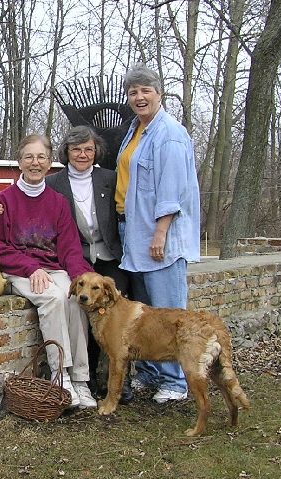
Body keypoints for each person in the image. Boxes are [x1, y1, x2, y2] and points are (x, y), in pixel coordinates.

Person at [0, 126, 130, 398]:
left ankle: (81, 379)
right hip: (20, 270)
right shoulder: (4, 201)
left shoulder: (58, 201)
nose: (35, 163)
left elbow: (70, 249)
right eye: (29, 157)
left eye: (41, 157)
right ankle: (59, 373)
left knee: (75, 298)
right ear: (19, 162)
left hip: (54, 268)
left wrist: (82, 279)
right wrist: (31, 268)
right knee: (53, 298)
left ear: (49, 160)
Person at [115, 63, 201, 403]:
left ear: (158, 93)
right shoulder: (137, 129)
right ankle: (150, 374)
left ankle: (176, 381)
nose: (139, 97)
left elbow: (171, 189)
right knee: (145, 311)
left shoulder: (170, 134)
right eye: (133, 92)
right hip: (132, 232)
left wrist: (161, 232)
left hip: (157, 235)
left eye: (145, 91)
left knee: (168, 311)